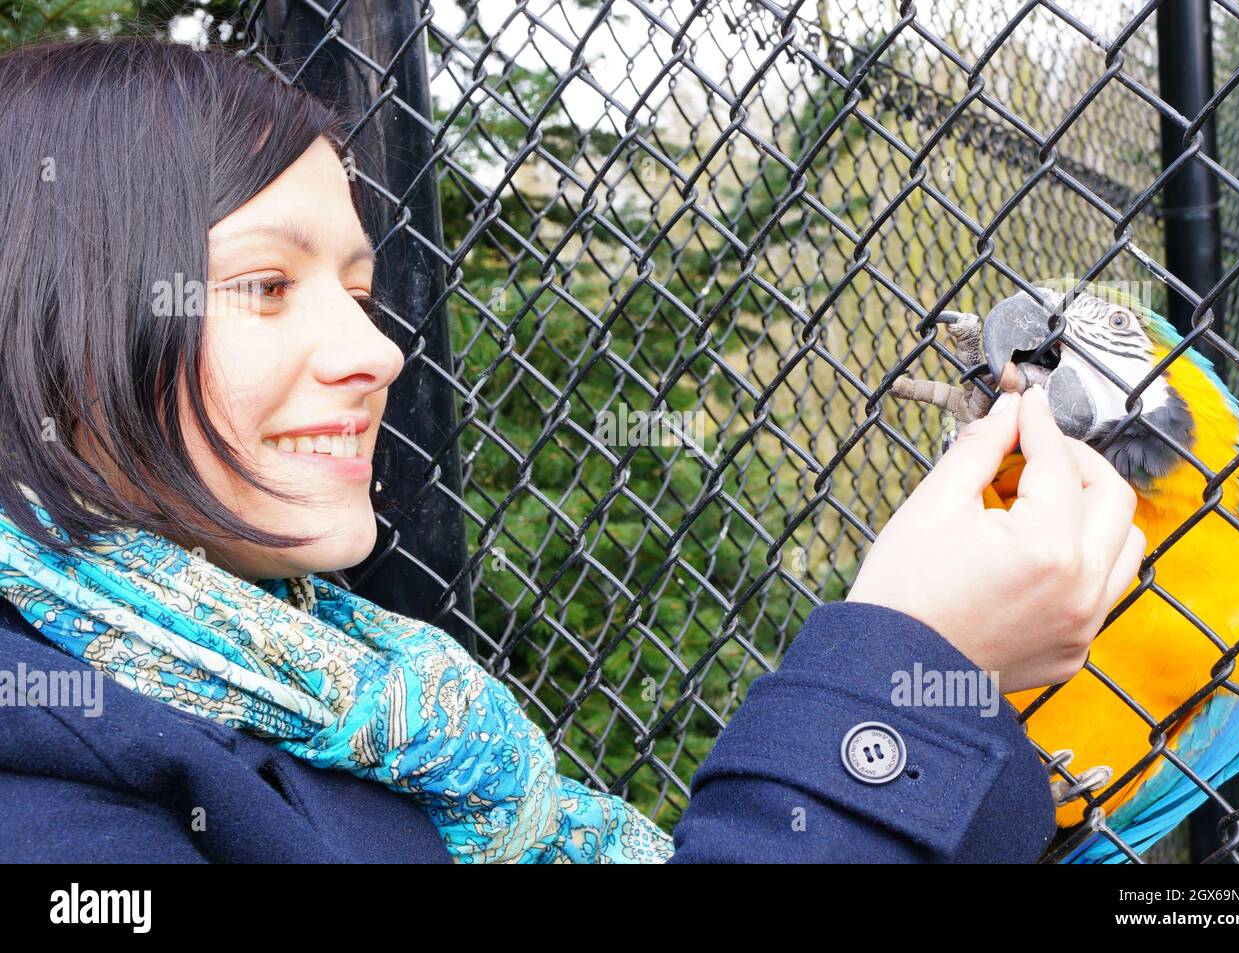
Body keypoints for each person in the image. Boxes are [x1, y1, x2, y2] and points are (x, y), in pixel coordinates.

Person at [0, 37, 1143, 863]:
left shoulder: (360, 688)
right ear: (45, 324)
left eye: (358, 289)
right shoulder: (49, 793)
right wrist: (900, 684)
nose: (377, 353)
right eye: (262, 284)